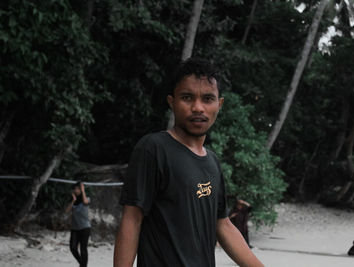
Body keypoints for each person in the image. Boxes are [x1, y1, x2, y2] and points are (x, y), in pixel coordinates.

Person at [114, 58, 264, 267]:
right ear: (171, 101)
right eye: (187, 97)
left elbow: (223, 225)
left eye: (207, 99)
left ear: (219, 104)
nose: (198, 107)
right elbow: (132, 220)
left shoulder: (212, 162)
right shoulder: (154, 148)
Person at [65, 181, 91, 267]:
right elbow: (66, 211)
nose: (76, 190)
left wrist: (83, 190)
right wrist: (73, 200)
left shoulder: (87, 198)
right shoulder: (73, 201)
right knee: (73, 248)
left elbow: (85, 202)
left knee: (83, 249)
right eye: (75, 189)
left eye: (78, 189)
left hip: (85, 228)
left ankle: (83, 265)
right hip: (75, 228)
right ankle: (82, 264)